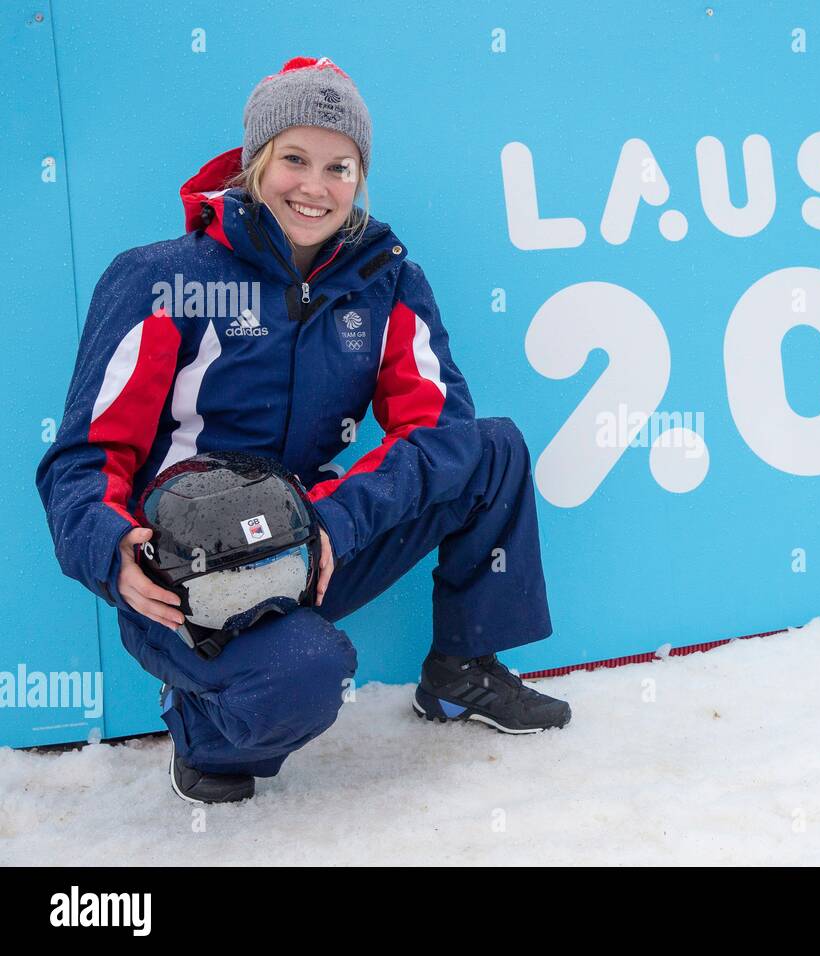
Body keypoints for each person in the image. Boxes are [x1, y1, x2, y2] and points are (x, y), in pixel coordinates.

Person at [34, 55, 571, 805]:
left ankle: (462, 671)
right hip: (193, 573)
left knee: (492, 449)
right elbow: (85, 455)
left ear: (359, 177)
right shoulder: (161, 280)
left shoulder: (385, 281)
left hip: (312, 537)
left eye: (339, 166)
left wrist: (332, 525)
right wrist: (110, 552)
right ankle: (203, 724)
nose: (314, 188)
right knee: (303, 678)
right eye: (294, 159)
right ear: (256, 161)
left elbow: (439, 431)